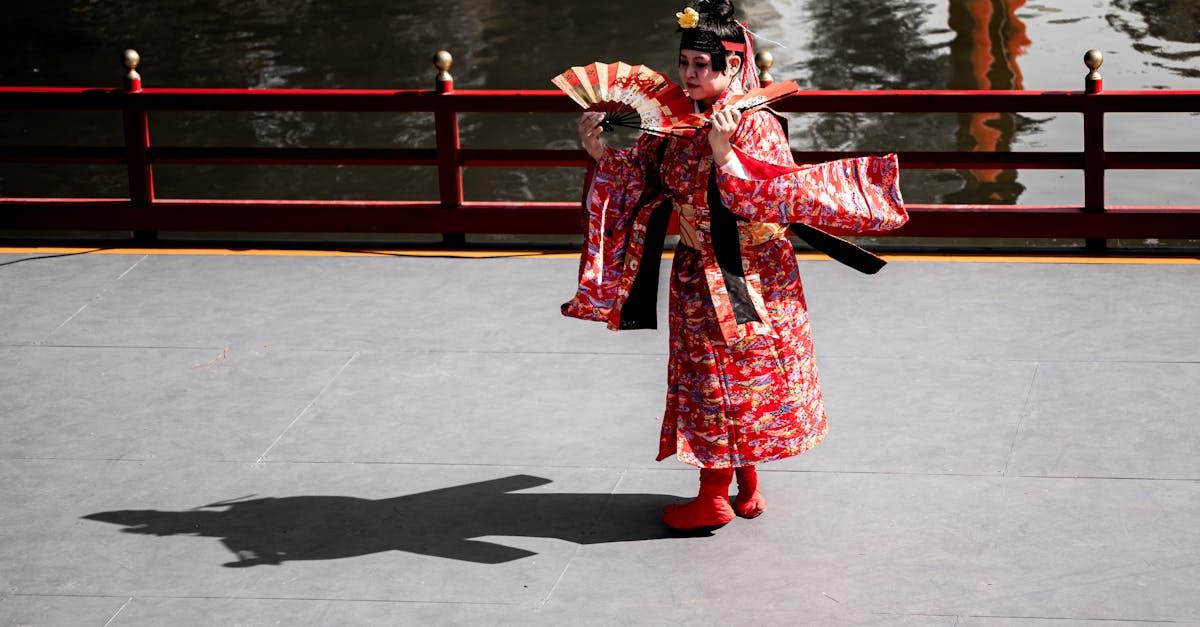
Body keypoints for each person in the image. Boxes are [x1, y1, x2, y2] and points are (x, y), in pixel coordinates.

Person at [561, 0, 908, 532]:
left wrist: (725, 152)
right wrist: (599, 151)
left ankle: (712, 497)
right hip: (697, 268)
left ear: (732, 68)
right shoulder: (673, 121)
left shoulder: (756, 123)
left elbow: (771, 195)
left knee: (724, 380)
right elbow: (641, 181)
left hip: (754, 271)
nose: (691, 74)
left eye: (704, 65)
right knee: (724, 379)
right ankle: (745, 485)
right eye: (686, 63)